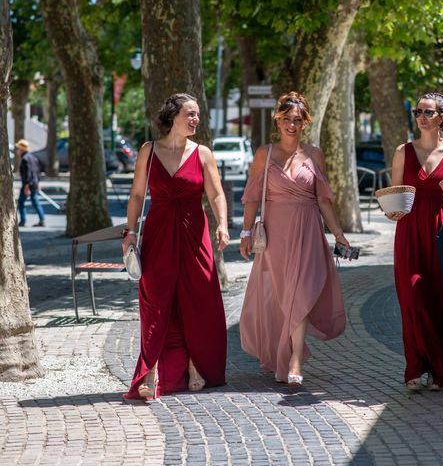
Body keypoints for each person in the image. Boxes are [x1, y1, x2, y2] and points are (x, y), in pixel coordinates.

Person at [122, 93, 230, 400]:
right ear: (173, 116)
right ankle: (150, 371)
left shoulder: (203, 153)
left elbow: (217, 194)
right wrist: (130, 232)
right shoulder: (149, 151)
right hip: (157, 236)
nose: (196, 119)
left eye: (197, 115)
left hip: (195, 237)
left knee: (198, 299)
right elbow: (137, 195)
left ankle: (196, 365)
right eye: (191, 114)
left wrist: (222, 224)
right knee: (155, 301)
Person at [239, 91, 348, 386]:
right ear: (278, 120)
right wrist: (247, 232)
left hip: (309, 231)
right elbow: (251, 198)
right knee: (278, 297)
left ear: (305, 123)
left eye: (297, 120)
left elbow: (324, 200)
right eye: (286, 119)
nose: (292, 124)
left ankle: (295, 361)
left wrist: (338, 234)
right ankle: (278, 353)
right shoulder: (265, 153)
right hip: (275, 234)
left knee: (300, 294)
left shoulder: (314, 155)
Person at [387, 92, 443, 391]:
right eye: (418, 111)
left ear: (442, 118)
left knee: (442, 302)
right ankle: (416, 366)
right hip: (409, 234)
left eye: (429, 112)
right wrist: (392, 211)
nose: (422, 116)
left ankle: (438, 370)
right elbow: (397, 196)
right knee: (413, 298)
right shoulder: (402, 152)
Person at [16, 139, 46, 227]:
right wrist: (38, 182)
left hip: (28, 183)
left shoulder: (25, 159)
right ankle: (42, 219)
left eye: (18, 148)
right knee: (35, 201)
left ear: (21, 149)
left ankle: (23, 221)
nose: (17, 150)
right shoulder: (33, 157)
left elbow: (28, 173)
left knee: (21, 202)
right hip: (34, 182)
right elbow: (37, 171)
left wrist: (26, 185)